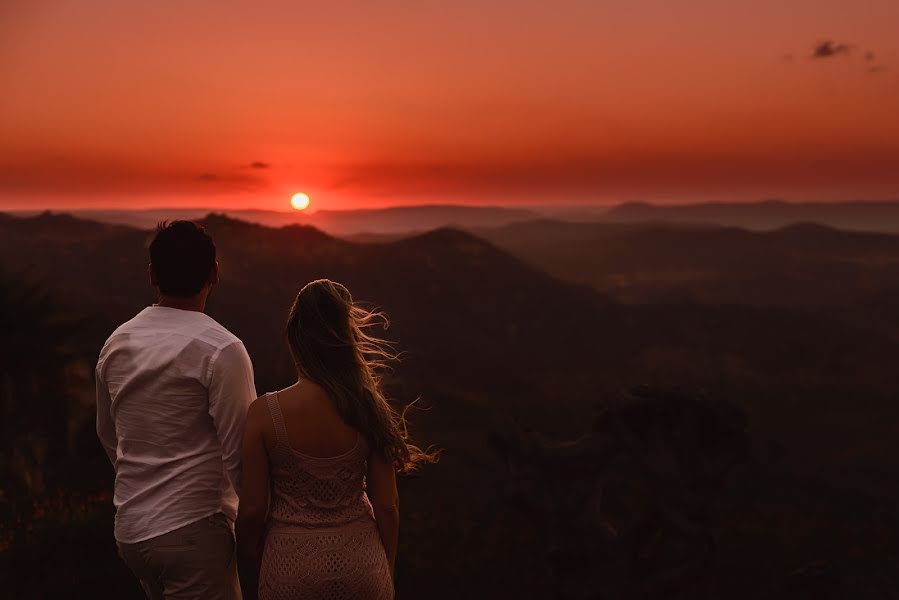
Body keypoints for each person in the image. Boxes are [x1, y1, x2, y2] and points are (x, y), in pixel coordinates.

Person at [236, 279, 437, 600]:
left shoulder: (264, 413)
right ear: (347, 342)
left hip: (290, 566)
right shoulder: (367, 408)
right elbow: (387, 505)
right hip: (362, 564)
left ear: (295, 340)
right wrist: (387, 566)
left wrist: (250, 557)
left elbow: (251, 511)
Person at [96, 221, 256, 600]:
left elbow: (109, 435)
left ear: (152, 274)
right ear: (215, 273)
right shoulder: (221, 349)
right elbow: (242, 454)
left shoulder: (118, 342)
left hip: (131, 529)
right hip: (192, 530)